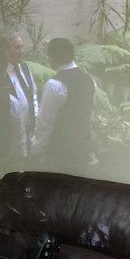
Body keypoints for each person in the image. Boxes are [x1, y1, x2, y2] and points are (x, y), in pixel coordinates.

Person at [30, 37, 94, 173]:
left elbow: (44, 122)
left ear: (52, 57)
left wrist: (35, 149)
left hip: (59, 153)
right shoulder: (88, 80)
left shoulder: (54, 85)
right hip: (82, 149)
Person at [2, 30, 38, 157]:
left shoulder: (24, 68)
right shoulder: (0, 72)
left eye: (22, 47)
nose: (22, 51)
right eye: (17, 48)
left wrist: (36, 118)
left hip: (29, 129)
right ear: (5, 50)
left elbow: (33, 94)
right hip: (11, 133)